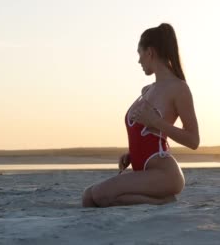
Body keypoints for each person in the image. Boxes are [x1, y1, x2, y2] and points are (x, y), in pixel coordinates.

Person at [82, 23, 200, 208]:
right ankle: (161, 200)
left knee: (100, 196)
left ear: (150, 52)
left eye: (139, 53)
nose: (139, 61)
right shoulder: (147, 90)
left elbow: (193, 140)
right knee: (88, 197)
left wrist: (156, 121)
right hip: (143, 170)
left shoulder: (179, 89)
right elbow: (146, 135)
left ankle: (164, 201)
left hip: (164, 173)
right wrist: (132, 153)